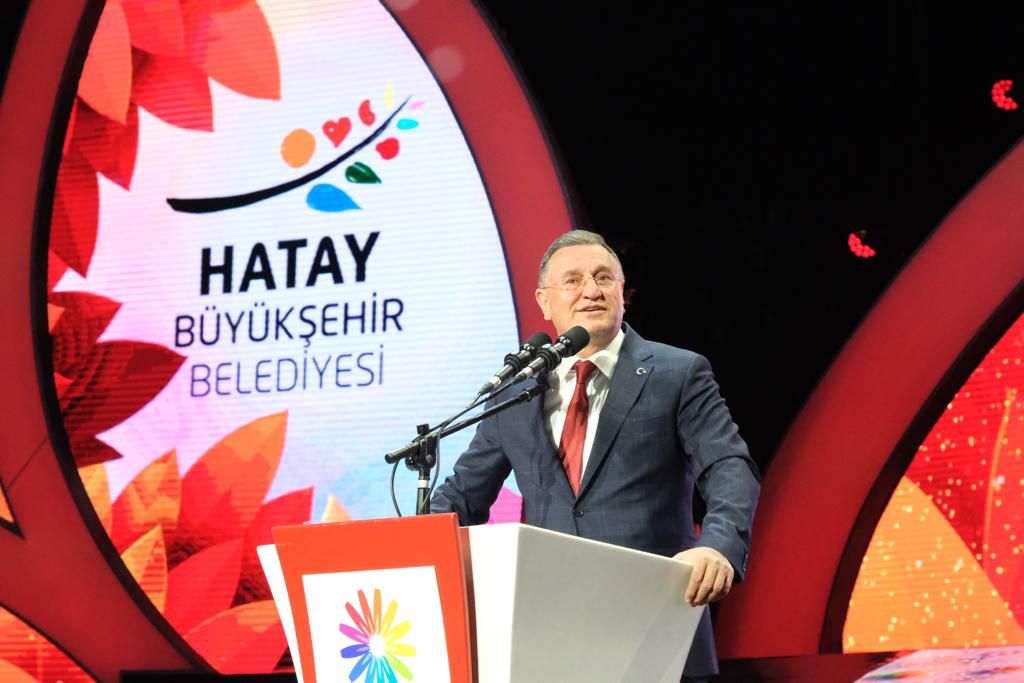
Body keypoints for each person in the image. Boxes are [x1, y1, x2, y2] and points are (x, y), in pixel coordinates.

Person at [431, 230, 760, 680]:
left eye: (604, 277)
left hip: (655, 629)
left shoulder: (677, 372)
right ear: (544, 302)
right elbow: (462, 496)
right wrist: (403, 556)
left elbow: (729, 466)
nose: (591, 290)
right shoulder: (516, 391)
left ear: (622, 293)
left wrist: (718, 546)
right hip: (547, 640)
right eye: (573, 280)